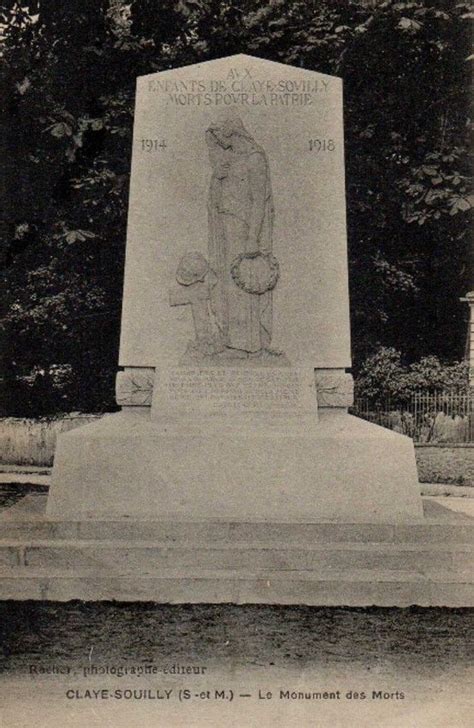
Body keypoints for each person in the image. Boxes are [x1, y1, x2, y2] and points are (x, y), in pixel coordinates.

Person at [206, 114, 274, 356]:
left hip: (244, 229)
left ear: (233, 134)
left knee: (242, 284)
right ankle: (228, 339)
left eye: (222, 141)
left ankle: (247, 344)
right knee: (226, 284)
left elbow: (259, 201)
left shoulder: (255, 159)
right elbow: (218, 197)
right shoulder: (230, 161)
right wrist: (217, 177)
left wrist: (253, 237)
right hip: (226, 227)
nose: (221, 147)